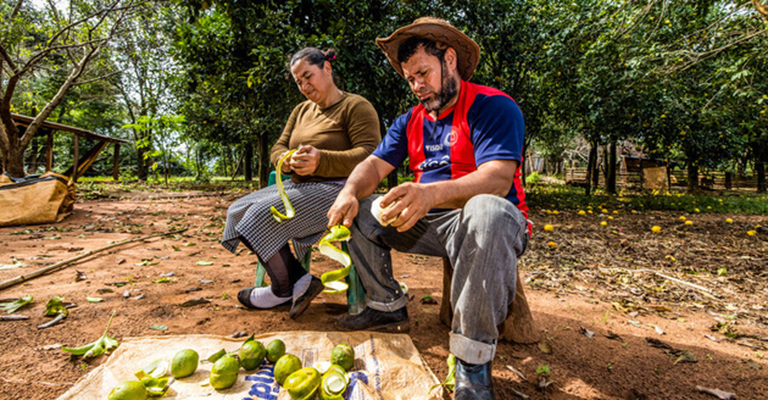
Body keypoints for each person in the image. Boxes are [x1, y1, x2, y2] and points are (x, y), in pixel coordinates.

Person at [326, 18, 529, 400]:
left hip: (488, 221)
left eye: (423, 73)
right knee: (361, 208)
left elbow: (497, 181)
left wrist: (430, 195)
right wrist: (349, 191)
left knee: (487, 210)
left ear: (449, 60)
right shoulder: (410, 121)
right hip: (429, 222)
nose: (418, 86)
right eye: (410, 79)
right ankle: (386, 303)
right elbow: (373, 165)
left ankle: (472, 364)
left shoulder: (493, 106)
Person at [222, 47, 381, 320]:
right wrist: (284, 161)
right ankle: (295, 281)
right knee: (236, 212)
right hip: (299, 188)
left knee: (258, 215)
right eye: (299, 82)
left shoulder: (356, 106)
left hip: (339, 191)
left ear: (327, 69)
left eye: (308, 77)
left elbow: (371, 155)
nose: (305, 86)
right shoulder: (301, 111)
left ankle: (284, 287)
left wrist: (322, 161)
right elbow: (278, 147)